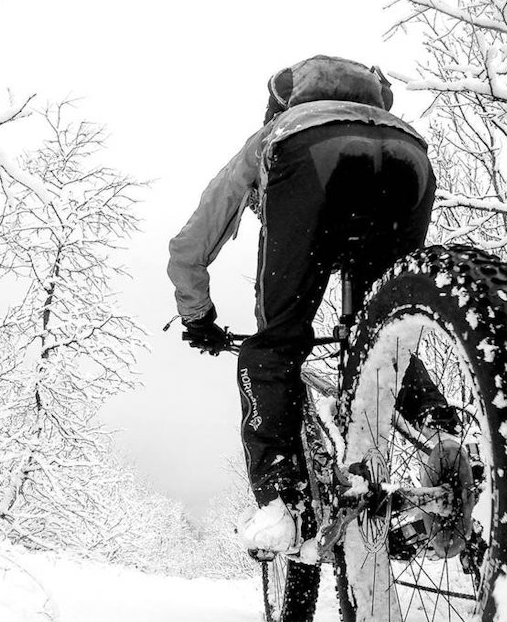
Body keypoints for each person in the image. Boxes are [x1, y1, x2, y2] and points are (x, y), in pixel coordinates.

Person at [167, 55, 455, 556]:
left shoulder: (279, 133)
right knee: (385, 335)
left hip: (315, 161)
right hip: (412, 162)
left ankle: (282, 504)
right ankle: (447, 438)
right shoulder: (386, 122)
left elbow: (190, 245)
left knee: (274, 347)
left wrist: (198, 317)